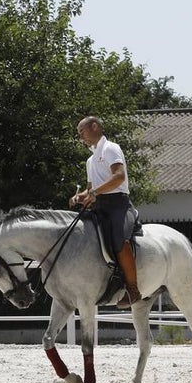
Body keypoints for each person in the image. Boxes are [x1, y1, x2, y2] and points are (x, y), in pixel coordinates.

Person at [68, 116, 141, 307]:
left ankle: (133, 289)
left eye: (82, 132)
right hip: (99, 206)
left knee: (119, 240)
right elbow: (90, 188)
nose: (81, 137)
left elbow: (119, 177)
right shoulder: (90, 160)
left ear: (94, 127)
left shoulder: (111, 148)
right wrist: (80, 196)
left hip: (118, 204)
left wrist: (94, 192)